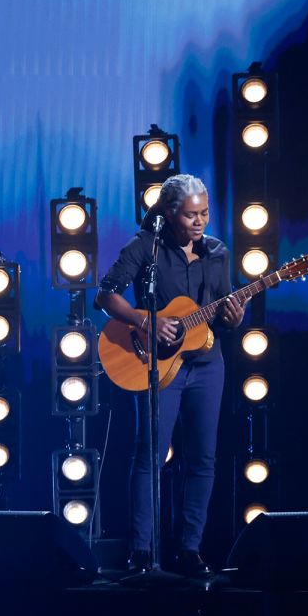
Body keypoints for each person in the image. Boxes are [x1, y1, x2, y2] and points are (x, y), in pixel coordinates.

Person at [95, 173, 248, 577]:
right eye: (191, 215)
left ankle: (189, 549)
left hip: (206, 364)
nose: (200, 222)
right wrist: (146, 320)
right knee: (150, 457)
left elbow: (219, 309)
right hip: (156, 365)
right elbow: (106, 293)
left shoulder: (217, 253)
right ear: (168, 213)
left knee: (204, 459)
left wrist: (235, 316)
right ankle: (142, 551)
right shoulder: (146, 246)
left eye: (205, 213)